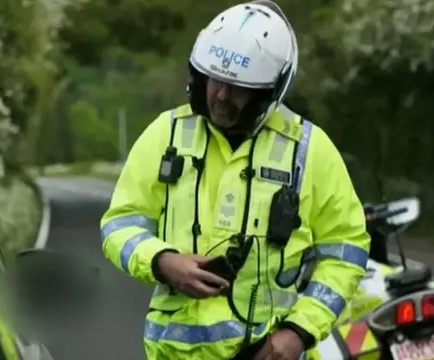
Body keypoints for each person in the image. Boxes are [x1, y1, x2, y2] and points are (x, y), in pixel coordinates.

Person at [99, 1, 371, 359]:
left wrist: (298, 332)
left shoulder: (310, 151)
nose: (221, 96)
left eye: (238, 87)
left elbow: (346, 251)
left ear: (269, 92)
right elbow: (118, 225)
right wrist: (162, 260)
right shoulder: (165, 134)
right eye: (214, 80)